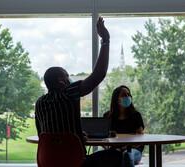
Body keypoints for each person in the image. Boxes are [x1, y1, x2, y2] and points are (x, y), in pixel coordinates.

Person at [35, 17, 122, 167]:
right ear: (61, 82)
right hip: (75, 161)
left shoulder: (40, 103)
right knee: (118, 156)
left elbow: (43, 133)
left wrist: (74, 136)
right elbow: (98, 75)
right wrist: (105, 40)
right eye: (67, 77)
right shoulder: (69, 93)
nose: (70, 80)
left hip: (47, 161)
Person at [104, 85, 145, 167]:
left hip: (133, 150)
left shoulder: (136, 115)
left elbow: (140, 140)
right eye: (124, 95)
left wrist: (126, 147)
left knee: (126, 156)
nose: (127, 97)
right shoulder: (108, 116)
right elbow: (104, 138)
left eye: (128, 94)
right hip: (114, 150)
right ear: (116, 99)